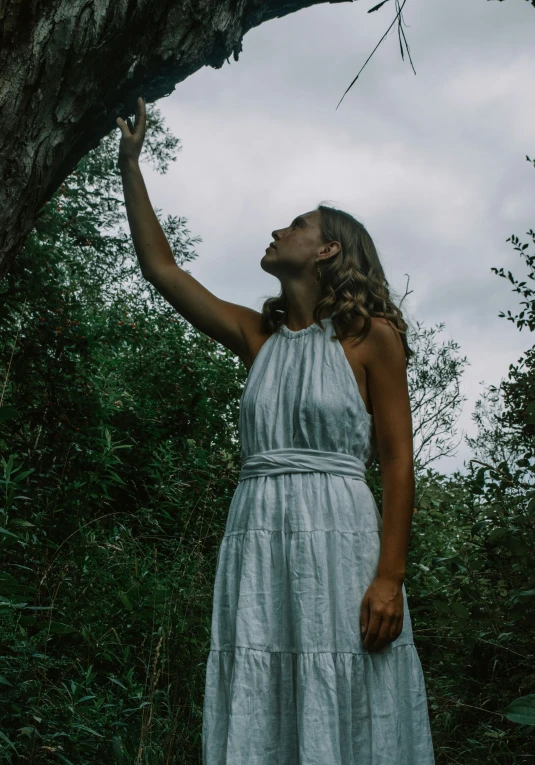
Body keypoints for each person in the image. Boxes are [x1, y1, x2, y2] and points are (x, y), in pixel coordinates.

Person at [117, 97, 435, 764]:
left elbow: (398, 463)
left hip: (341, 535)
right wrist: (130, 165)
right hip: (259, 532)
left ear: (326, 249)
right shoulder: (256, 336)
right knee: (265, 682)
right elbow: (163, 270)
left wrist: (389, 578)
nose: (276, 229)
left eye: (294, 225)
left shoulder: (370, 338)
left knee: (348, 673)